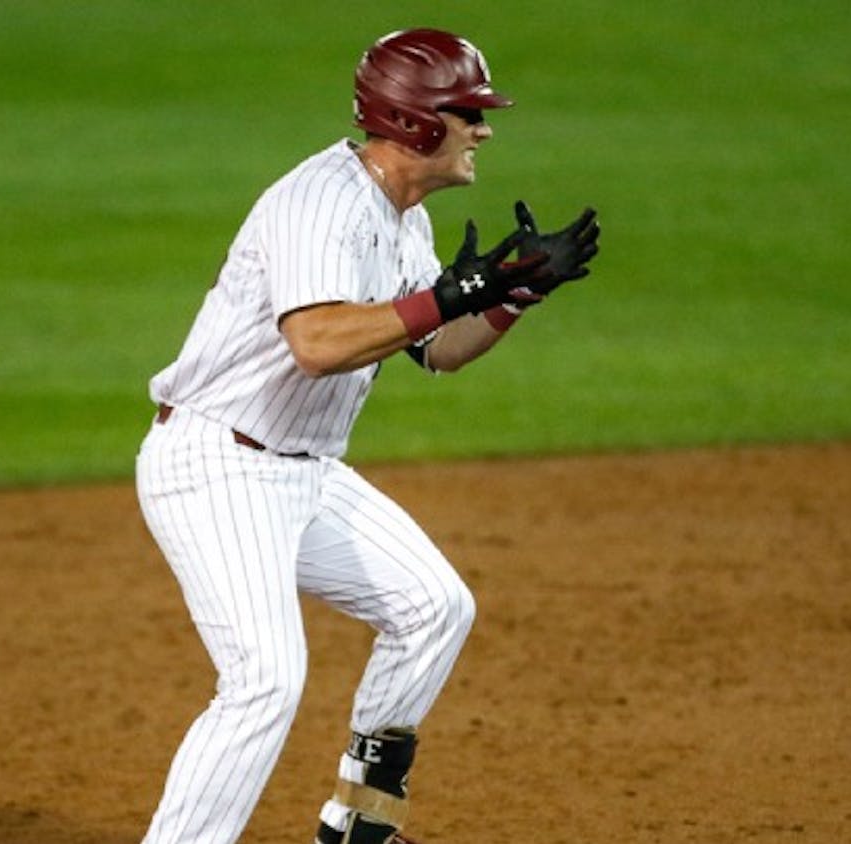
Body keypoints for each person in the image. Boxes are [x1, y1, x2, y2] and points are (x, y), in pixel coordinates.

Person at [133, 27, 599, 844]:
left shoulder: (403, 217)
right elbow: (315, 345)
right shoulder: (321, 203)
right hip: (217, 463)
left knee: (434, 606)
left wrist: (511, 295)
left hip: (302, 473)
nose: (484, 130)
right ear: (416, 123)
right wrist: (449, 297)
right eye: (468, 114)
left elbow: (437, 348)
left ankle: (358, 827)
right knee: (265, 682)